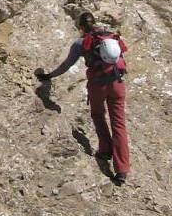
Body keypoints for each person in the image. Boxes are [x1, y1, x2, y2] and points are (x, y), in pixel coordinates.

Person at [35, 12, 130, 185]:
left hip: (98, 85)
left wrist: (49, 76)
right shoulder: (110, 36)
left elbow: (66, 65)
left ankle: (105, 150)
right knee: (119, 124)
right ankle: (122, 170)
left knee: (98, 115)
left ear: (80, 26)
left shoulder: (81, 43)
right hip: (117, 83)